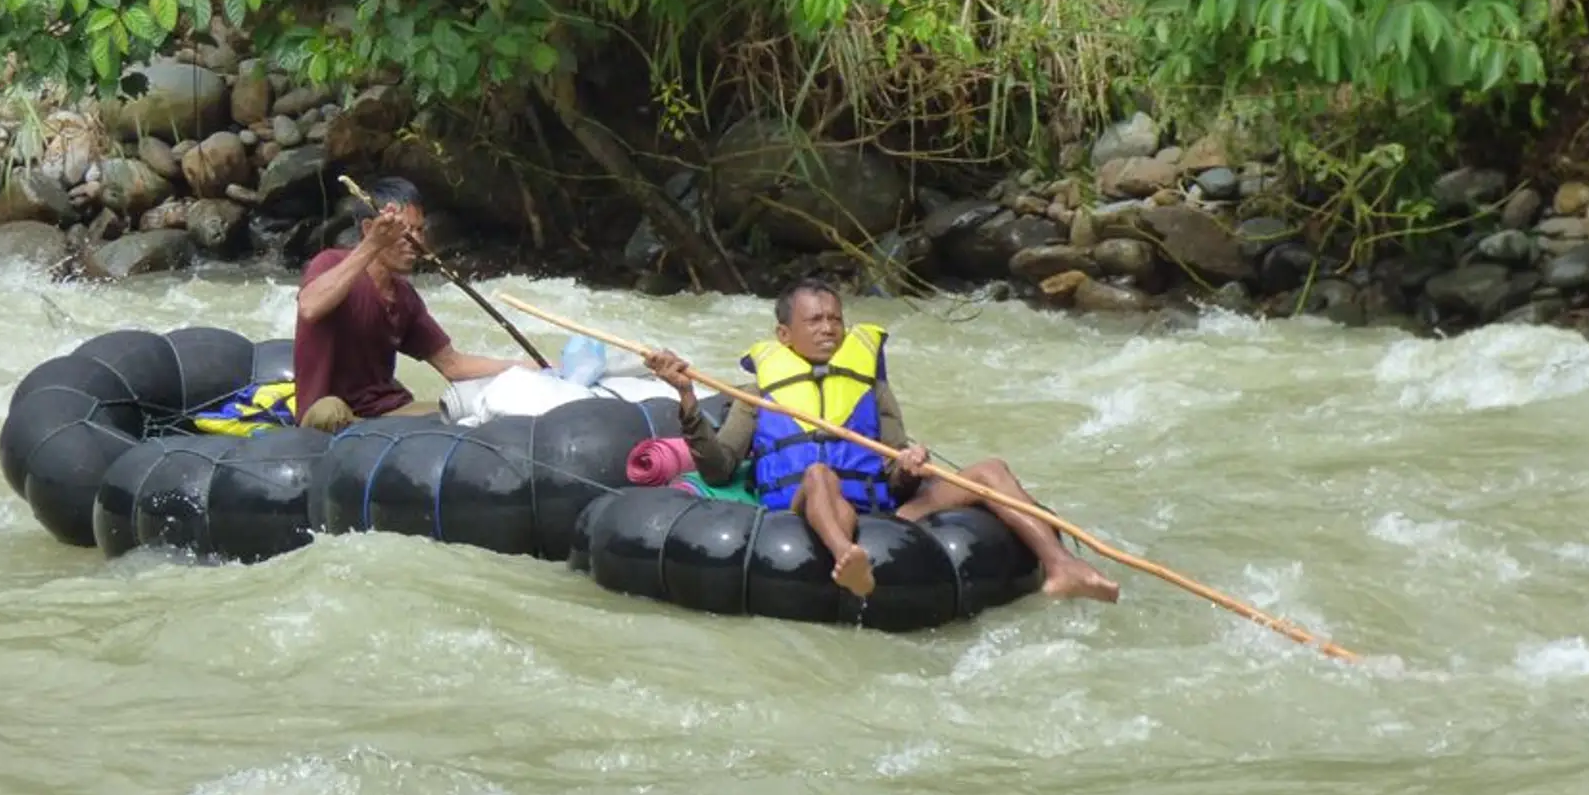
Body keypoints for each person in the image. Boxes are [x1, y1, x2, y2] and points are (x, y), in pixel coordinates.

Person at [642, 277, 1119, 602]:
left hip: (881, 512)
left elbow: (895, 474)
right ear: (784, 334)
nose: (829, 328)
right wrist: (686, 396)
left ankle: (1062, 567)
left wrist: (909, 464)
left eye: (835, 319)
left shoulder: (871, 388)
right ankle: (846, 559)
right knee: (819, 473)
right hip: (801, 510)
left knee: (990, 470)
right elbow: (719, 468)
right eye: (815, 320)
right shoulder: (758, 394)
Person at [293, 177, 535, 432]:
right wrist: (371, 244)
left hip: (385, 413)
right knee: (330, 410)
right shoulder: (330, 263)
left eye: (419, 230)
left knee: (463, 415)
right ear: (369, 229)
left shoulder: (404, 297)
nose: (415, 241)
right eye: (405, 231)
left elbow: (453, 364)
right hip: (329, 415)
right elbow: (310, 307)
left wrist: (531, 368)